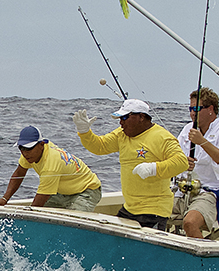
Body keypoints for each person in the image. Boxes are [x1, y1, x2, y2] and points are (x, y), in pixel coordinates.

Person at [73, 98, 189, 230]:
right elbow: (100, 146)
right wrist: (85, 132)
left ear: (141, 117)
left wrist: (153, 168)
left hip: (154, 211)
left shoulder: (162, 137)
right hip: (130, 208)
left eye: (125, 117)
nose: (121, 122)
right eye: (120, 119)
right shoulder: (121, 134)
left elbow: (181, 162)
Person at [172, 87, 219, 239]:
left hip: (210, 193)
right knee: (150, 209)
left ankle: (202, 262)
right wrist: (183, 163)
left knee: (190, 222)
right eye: (190, 108)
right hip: (183, 190)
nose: (192, 113)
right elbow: (175, 156)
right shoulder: (186, 130)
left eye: (196, 108)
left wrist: (202, 142)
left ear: (210, 109)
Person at [0, 126, 102, 211]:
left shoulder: (51, 163)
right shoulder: (28, 155)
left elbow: (38, 203)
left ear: (42, 144)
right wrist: (4, 199)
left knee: (73, 224)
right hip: (62, 192)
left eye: (29, 148)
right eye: (21, 148)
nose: (25, 152)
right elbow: (19, 173)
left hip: (87, 190)